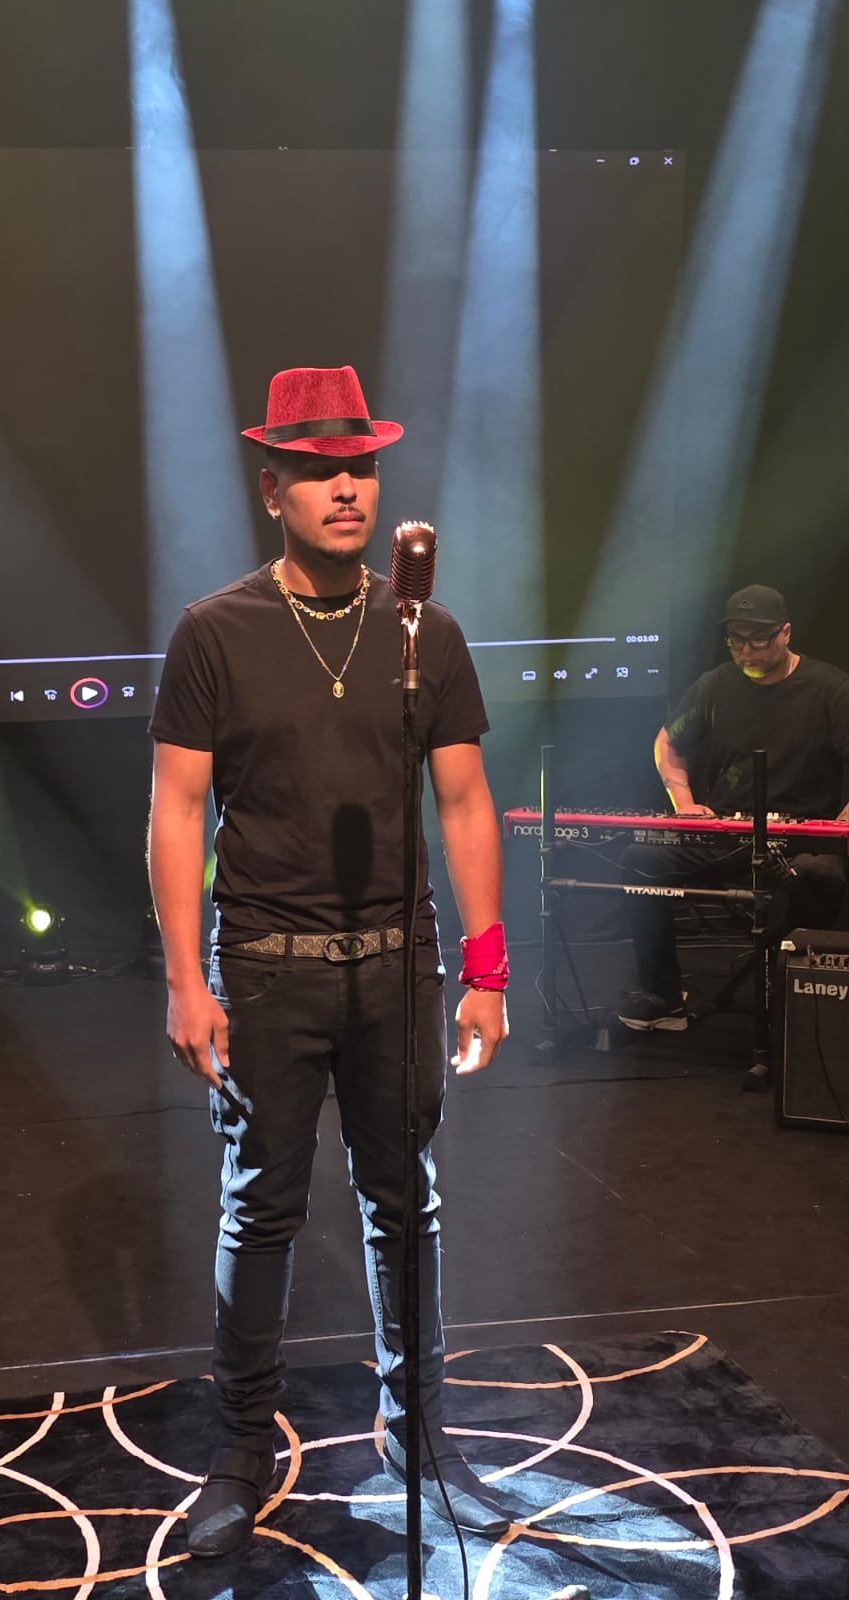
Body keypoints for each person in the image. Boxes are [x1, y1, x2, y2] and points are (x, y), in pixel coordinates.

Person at [146, 365, 511, 1559]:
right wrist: (185, 980)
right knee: (262, 1206)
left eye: (360, 467)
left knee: (407, 1200)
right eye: (319, 472)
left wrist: (489, 968)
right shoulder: (215, 631)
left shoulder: (425, 632)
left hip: (399, 966)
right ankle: (242, 1446)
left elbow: (464, 801)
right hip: (266, 964)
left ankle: (420, 1432)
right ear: (275, 492)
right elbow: (177, 810)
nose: (347, 488)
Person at [618, 584, 849, 1032]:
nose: (746, 651)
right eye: (736, 640)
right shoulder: (716, 684)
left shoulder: (830, 689)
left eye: (758, 640)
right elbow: (668, 742)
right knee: (640, 860)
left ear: (785, 633)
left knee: (821, 877)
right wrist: (684, 803)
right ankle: (663, 995)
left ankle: (789, 993)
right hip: (727, 835)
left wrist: (840, 824)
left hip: (800, 842)